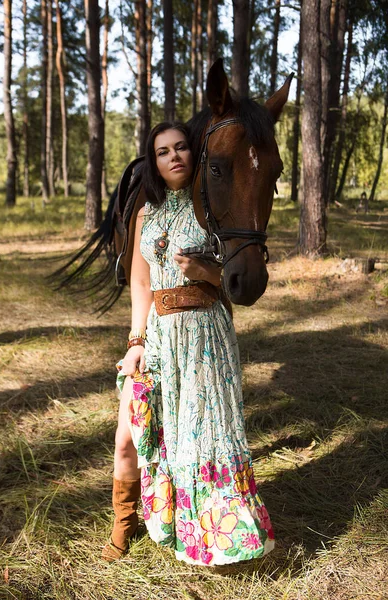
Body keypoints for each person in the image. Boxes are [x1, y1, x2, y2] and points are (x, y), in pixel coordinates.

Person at [102, 122, 275, 567]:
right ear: (153, 162)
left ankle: (211, 534)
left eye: (181, 147)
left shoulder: (212, 208)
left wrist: (207, 273)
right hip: (158, 335)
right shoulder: (145, 213)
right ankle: (125, 523)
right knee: (131, 434)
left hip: (204, 335)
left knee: (201, 442)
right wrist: (135, 341)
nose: (174, 156)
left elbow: (236, 281)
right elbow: (140, 283)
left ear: (193, 154)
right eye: (163, 152)